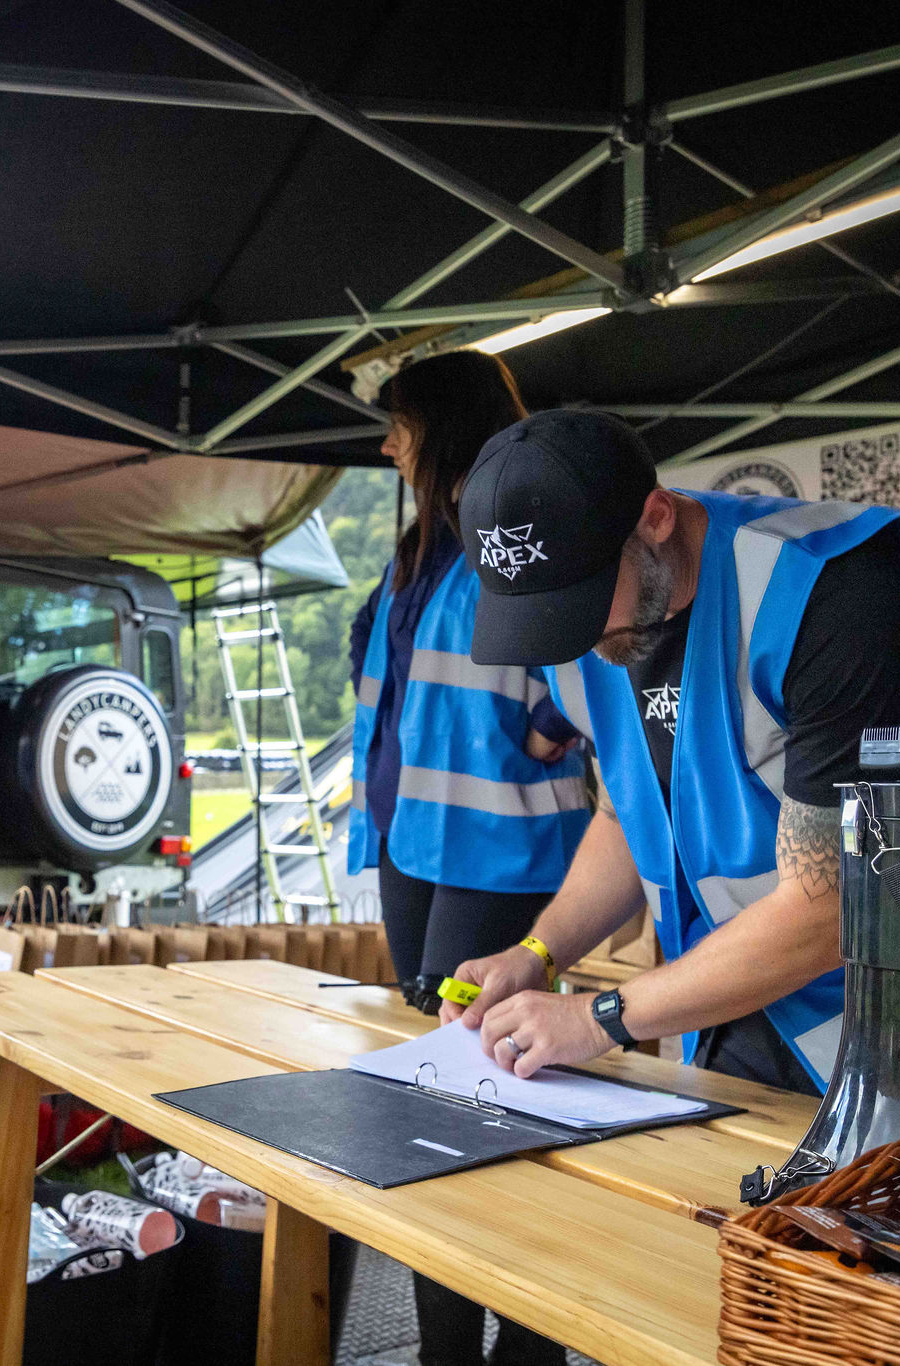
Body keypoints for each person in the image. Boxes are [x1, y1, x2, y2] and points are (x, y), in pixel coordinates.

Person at [440, 409, 900, 1101]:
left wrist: (600, 1015)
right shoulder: (591, 633)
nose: (569, 632)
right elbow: (630, 810)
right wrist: (539, 953)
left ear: (656, 518)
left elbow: (830, 906)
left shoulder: (844, 591)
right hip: (756, 994)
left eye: (580, 597)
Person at [346, 351, 590, 1366]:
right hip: (417, 839)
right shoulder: (419, 547)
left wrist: (548, 722)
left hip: (500, 843)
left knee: (485, 1093)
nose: (385, 441)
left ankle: (521, 1345)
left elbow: (571, 636)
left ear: (438, 424)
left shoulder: (506, 524)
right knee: (432, 1102)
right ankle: (446, 1342)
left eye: (397, 421)